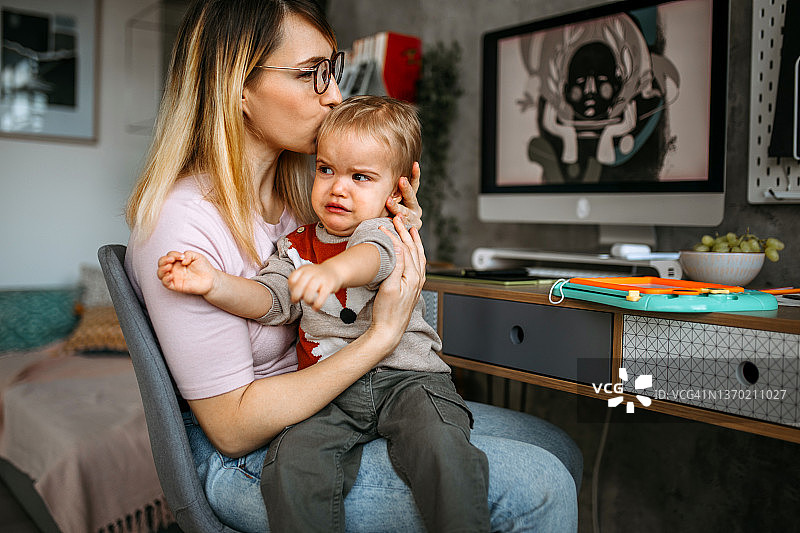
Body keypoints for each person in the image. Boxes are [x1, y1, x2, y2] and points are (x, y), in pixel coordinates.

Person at [124, 1, 582, 531]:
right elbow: (231, 427)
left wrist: (396, 227)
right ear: (238, 87)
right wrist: (380, 339)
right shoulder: (182, 223)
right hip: (250, 455)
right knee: (538, 486)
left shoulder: (307, 198)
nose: (335, 94)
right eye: (311, 75)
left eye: (332, 71)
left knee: (558, 447)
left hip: (336, 399)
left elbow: (363, 269)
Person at [156, 95, 491, 532]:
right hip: (332, 390)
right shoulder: (296, 244)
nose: (338, 187)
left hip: (408, 379)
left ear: (396, 190)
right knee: (293, 464)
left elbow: (373, 258)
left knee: (442, 447)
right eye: (326, 169)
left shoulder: (387, 229)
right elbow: (271, 301)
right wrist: (215, 284)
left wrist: (332, 273)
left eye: (361, 177)